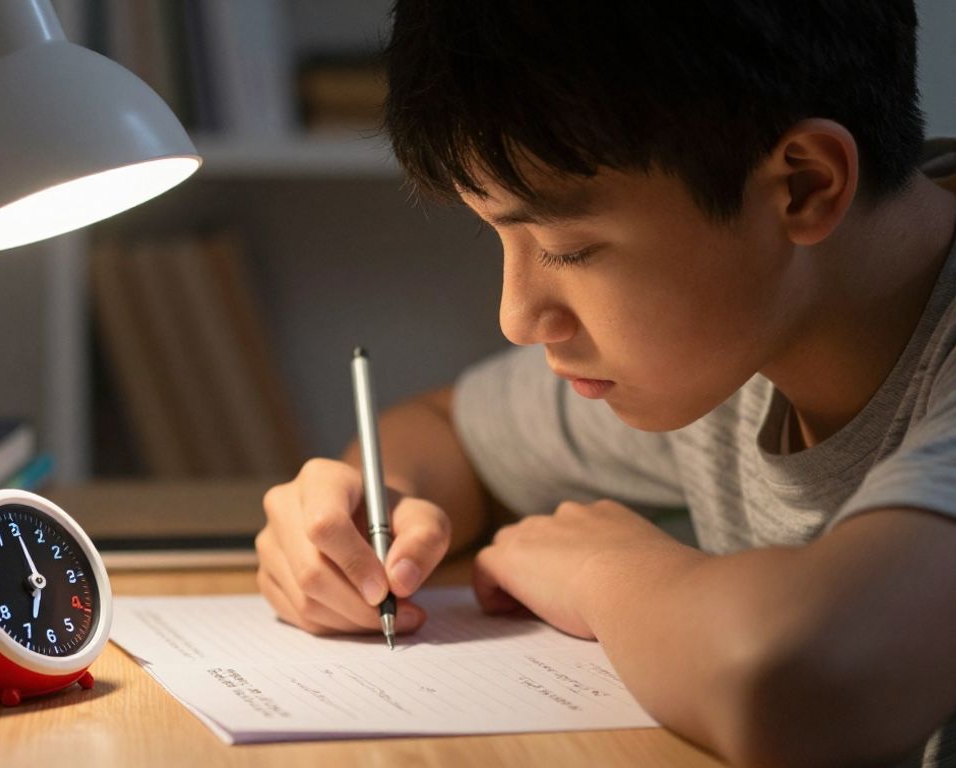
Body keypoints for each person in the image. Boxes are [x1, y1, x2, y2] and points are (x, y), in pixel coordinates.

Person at [254, 1, 956, 765]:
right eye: (500, 234)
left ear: (803, 187)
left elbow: (799, 684)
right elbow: (446, 429)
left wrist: (602, 571)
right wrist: (357, 516)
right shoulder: (738, 337)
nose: (517, 317)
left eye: (569, 248)